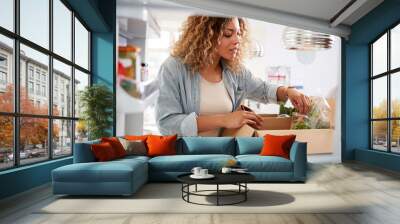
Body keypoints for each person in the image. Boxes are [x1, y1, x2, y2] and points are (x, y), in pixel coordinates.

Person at [155, 16, 311, 137]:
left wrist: (289, 92)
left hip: (226, 158)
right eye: (228, 34)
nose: (237, 40)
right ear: (206, 36)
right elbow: (167, 124)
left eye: (238, 33)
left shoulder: (234, 71)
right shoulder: (173, 68)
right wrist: (224, 119)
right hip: (189, 161)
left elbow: (263, 89)